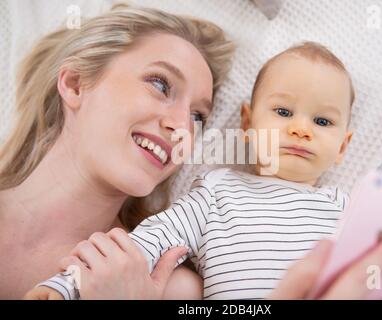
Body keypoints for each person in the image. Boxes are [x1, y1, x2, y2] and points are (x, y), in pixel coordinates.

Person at [28, 41, 382, 300]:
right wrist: (67, 287)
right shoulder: (215, 194)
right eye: (283, 111)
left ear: (342, 147)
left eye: (322, 122)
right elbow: (145, 245)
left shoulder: (351, 210)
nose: (301, 129)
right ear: (247, 125)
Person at [0, 4, 235, 299]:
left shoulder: (166, 285)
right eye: (160, 84)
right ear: (75, 84)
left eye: (197, 116)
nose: (181, 128)